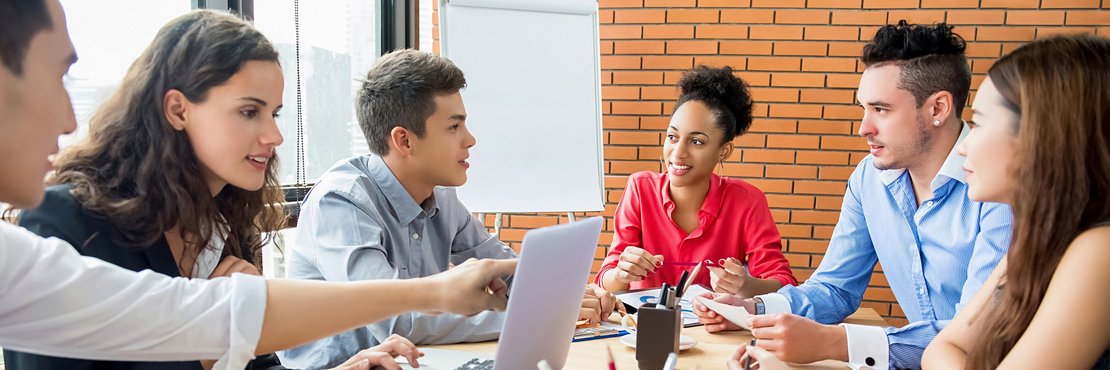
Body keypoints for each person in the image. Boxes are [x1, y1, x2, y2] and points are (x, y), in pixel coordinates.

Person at [0, 2, 515, 369]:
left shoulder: (223, 219)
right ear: (178, 109)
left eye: (274, 113)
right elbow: (204, 325)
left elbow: (253, 357)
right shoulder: (66, 224)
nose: (272, 136)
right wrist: (436, 294)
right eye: (249, 112)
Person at [695, 21, 1013, 370]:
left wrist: (836, 342)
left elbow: (974, 336)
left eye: (881, 109)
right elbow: (835, 287)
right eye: (864, 108)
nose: (864, 128)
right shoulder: (869, 177)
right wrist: (756, 310)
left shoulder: (1000, 187)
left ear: (938, 108)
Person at [280, 49, 619, 369]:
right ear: (404, 141)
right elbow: (397, 319)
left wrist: (567, 296)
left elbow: (508, 272)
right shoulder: (343, 202)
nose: (470, 139)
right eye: (454, 127)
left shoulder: (442, 196)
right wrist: (538, 315)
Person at [920, 34, 1110, 370]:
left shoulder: (1100, 250)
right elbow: (940, 347)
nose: (964, 145)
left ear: (1042, 136)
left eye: (977, 124)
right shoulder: (1037, 242)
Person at [595, 65, 796, 297]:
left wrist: (747, 286)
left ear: (724, 151)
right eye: (672, 137)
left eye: (697, 142)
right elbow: (604, 280)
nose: (678, 153)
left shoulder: (747, 200)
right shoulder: (640, 188)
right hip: (641, 327)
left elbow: (785, 283)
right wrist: (621, 274)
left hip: (710, 330)